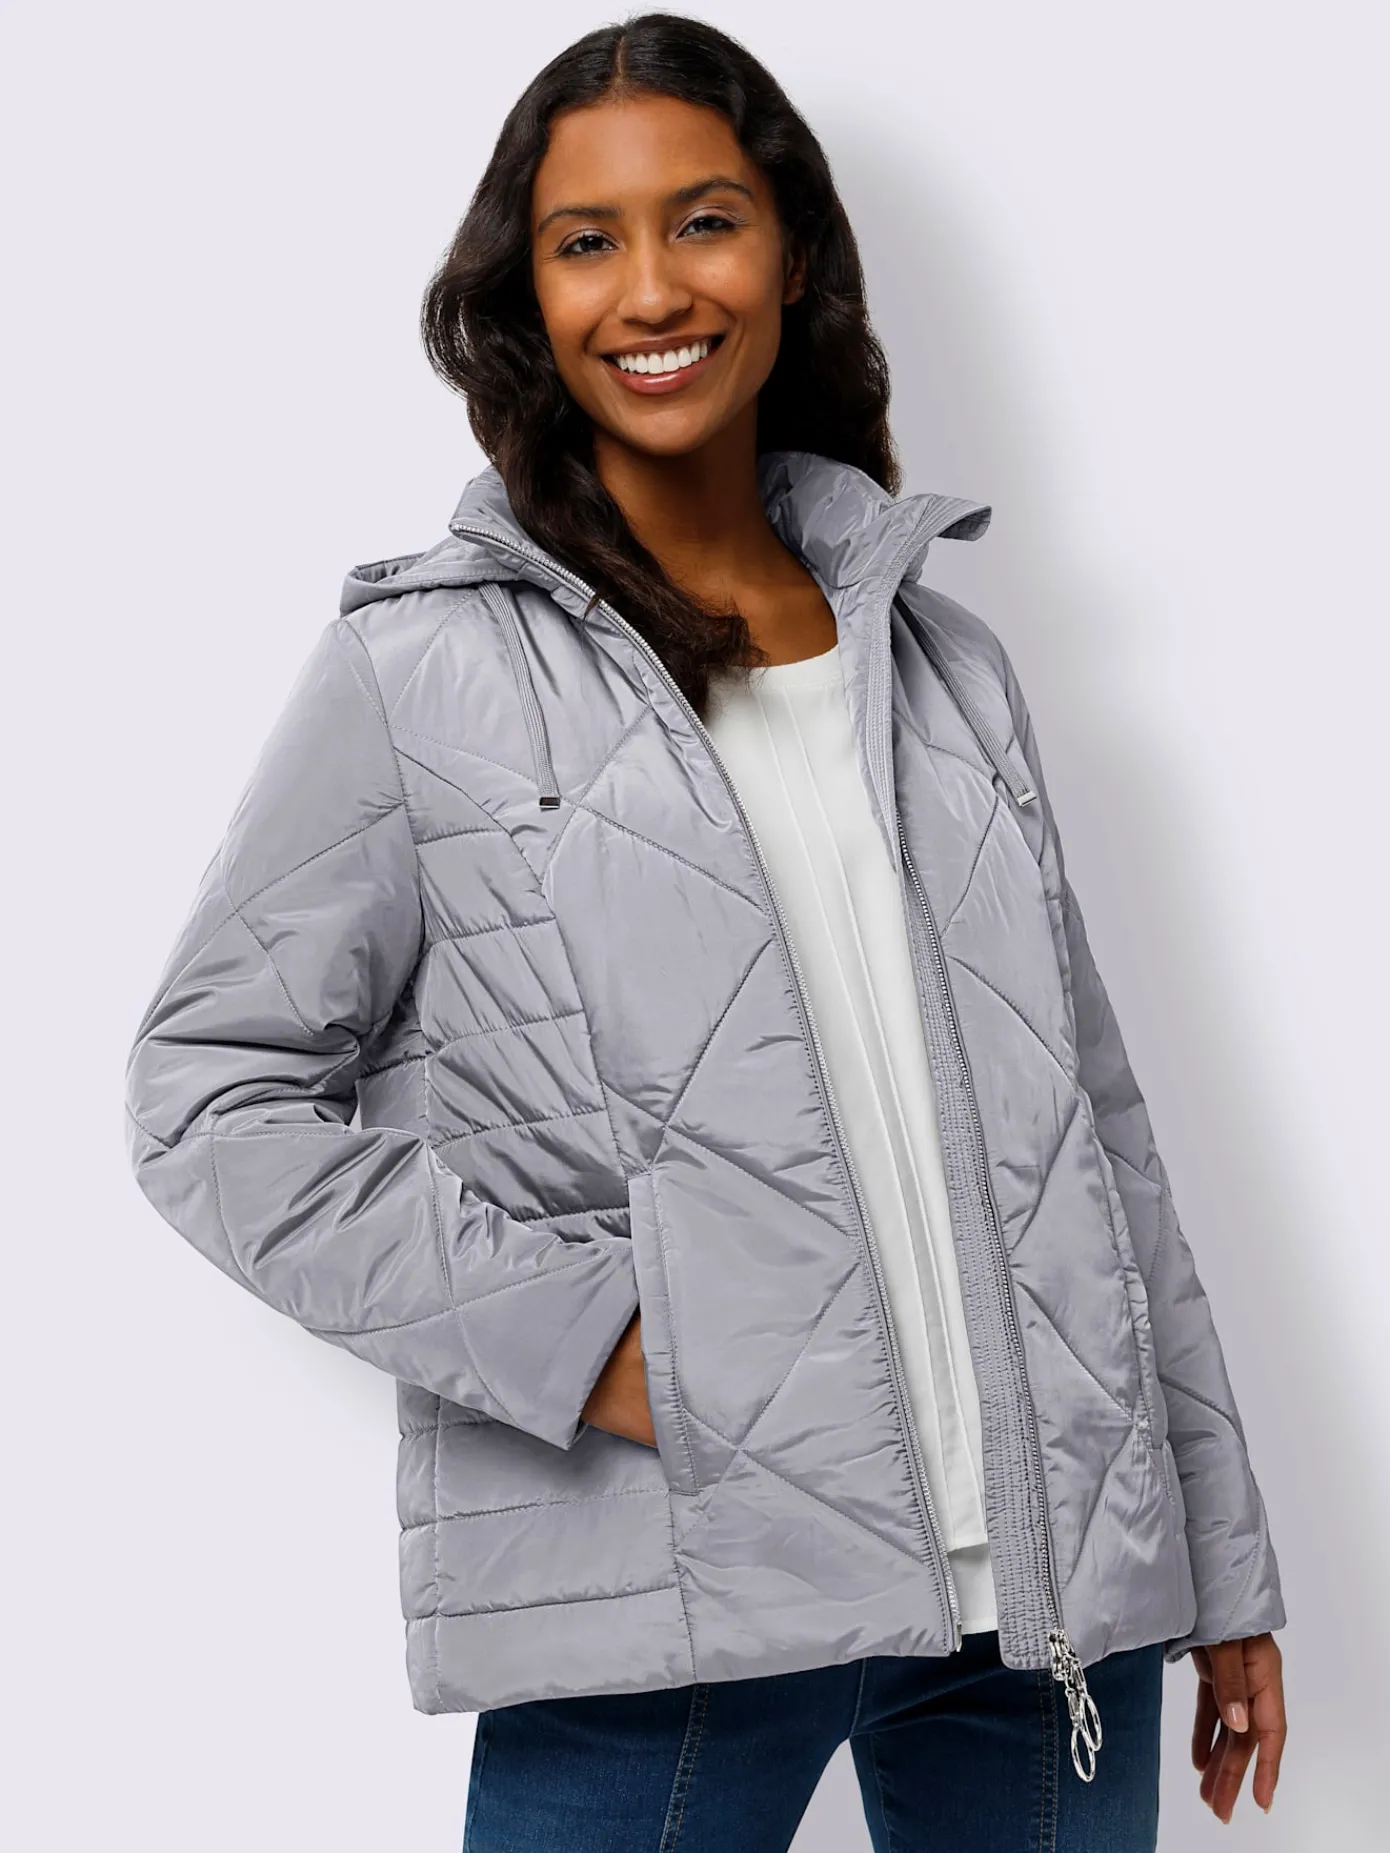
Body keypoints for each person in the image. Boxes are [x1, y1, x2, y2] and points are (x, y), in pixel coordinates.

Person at [122, 13, 1288, 1850]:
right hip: (670, 1596)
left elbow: (1100, 1139)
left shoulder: (944, 666)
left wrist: (1212, 1558)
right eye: (586, 240)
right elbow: (209, 1095)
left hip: (1046, 1606)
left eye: (705, 221)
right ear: (527, 294)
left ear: (791, 253)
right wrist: (584, 1341)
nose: (651, 288)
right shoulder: (424, 668)